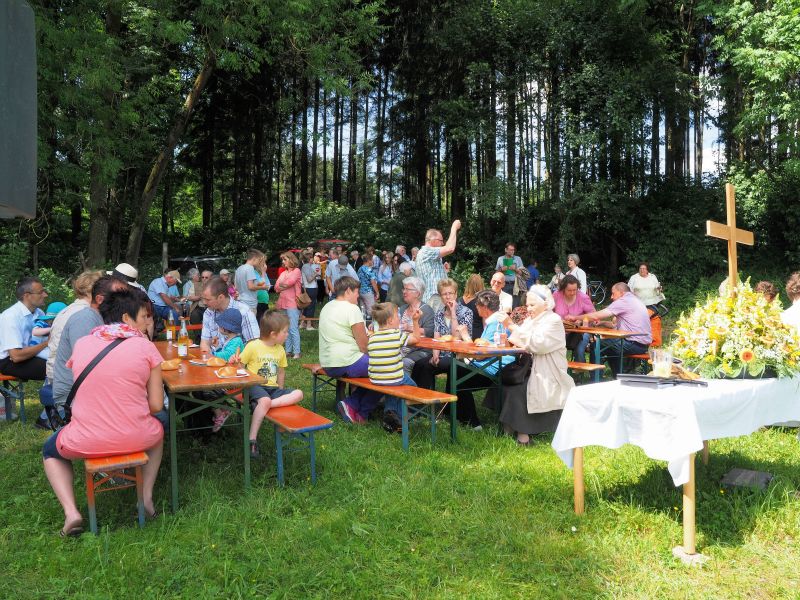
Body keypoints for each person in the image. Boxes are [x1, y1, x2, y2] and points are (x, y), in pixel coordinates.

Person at [42, 288, 164, 536]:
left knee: (50, 450)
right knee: (159, 430)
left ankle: (72, 513)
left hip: (84, 439)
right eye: (143, 317)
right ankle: (146, 499)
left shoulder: (84, 343)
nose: (146, 323)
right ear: (128, 319)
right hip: (136, 436)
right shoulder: (145, 347)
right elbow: (156, 406)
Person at [498, 285, 574, 445]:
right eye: (527, 305)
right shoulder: (531, 320)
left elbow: (537, 345)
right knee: (503, 379)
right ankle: (508, 427)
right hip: (528, 368)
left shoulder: (553, 321)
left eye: (532, 305)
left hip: (547, 372)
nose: (528, 308)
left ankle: (523, 436)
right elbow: (517, 341)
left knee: (519, 390)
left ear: (545, 304)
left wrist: (512, 326)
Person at [39, 270, 105, 428]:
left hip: (57, 373)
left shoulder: (68, 310)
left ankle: (48, 417)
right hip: (69, 380)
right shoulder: (84, 315)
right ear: (95, 293)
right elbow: (85, 360)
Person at [238, 310, 303, 458]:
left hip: (272, 389)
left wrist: (280, 389)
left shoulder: (280, 350)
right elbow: (240, 366)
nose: (287, 335)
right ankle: (252, 440)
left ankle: (267, 405)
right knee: (265, 399)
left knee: (299, 393)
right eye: (285, 332)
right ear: (273, 334)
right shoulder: (253, 346)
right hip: (254, 386)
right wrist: (245, 380)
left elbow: (281, 372)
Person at [319, 276, 381, 424]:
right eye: (357, 292)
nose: (358, 295)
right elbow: (363, 345)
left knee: (378, 370)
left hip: (328, 363)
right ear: (348, 291)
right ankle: (360, 411)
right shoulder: (351, 308)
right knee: (385, 370)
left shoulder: (327, 307)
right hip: (347, 361)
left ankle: (352, 404)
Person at [451, 290, 513, 430]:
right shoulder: (496, 320)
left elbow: (481, 354)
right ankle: (456, 414)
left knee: (458, 378)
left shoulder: (496, 324)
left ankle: (473, 422)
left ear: (484, 308)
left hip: (495, 368)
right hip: (492, 364)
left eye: (477, 306)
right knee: (455, 370)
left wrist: (466, 337)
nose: (476, 308)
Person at [572, 282, 652, 376]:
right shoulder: (635, 300)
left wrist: (574, 318)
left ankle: (596, 381)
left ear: (621, 293)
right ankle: (618, 377)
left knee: (596, 345)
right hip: (642, 344)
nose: (611, 297)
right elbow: (616, 326)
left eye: (613, 293)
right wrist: (602, 323)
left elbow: (596, 315)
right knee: (610, 347)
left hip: (634, 343)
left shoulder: (624, 301)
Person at [369, 302, 423, 434]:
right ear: (390, 320)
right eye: (397, 316)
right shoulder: (396, 334)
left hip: (375, 378)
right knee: (412, 388)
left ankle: (393, 416)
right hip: (393, 378)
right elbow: (416, 339)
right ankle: (395, 416)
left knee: (396, 388)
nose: (399, 318)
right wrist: (416, 321)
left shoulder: (373, 336)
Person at [412, 278, 473, 390]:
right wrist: (435, 355)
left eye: (450, 293)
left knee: (447, 365)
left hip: (460, 356)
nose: (448, 296)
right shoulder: (439, 314)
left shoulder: (466, 312)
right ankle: (420, 401)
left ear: (456, 294)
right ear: (440, 297)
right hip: (442, 354)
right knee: (420, 365)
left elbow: (456, 337)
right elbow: (436, 338)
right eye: (444, 294)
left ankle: (448, 403)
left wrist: (453, 312)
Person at [0, 277, 49, 381]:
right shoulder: (10, 316)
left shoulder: (39, 313)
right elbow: (16, 356)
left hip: (30, 354)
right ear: (27, 296)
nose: (45, 295)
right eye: (40, 292)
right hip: (8, 361)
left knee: (66, 361)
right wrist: (47, 343)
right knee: (56, 368)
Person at [199, 277, 260, 354]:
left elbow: (253, 345)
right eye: (203, 299)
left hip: (238, 363)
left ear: (221, 297)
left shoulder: (243, 311)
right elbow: (204, 344)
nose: (204, 302)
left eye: (208, 299)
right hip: (214, 362)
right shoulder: (208, 313)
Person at [208, 308, 246, 432]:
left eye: (220, 324)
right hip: (228, 375)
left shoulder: (236, 341)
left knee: (208, 390)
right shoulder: (231, 340)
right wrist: (216, 348)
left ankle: (222, 411)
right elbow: (224, 353)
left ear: (225, 328)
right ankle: (223, 408)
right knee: (206, 389)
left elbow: (225, 356)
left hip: (234, 379)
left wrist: (211, 353)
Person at [415, 220, 461, 311]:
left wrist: (444, 271)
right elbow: (450, 248)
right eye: (441, 241)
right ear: (433, 240)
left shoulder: (428, 254)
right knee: (436, 324)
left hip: (433, 298)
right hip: (434, 298)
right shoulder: (426, 251)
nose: (442, 243)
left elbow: (431, 275)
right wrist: (454, 228)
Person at [398, 276, 436, 375]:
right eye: (404, 288)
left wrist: (409, 328)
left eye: (407, 289)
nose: (404, 292)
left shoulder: (426, 310)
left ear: (418, 293)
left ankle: (405, 389)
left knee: (404, 363)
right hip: (401, 347)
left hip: (420, 349)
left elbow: (430, 331)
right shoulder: (402, 309)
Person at [552, 274, 595, 362]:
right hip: (559, 331)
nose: (572, 293)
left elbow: (594, 316)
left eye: (574, 290)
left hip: (580, 332)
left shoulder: (583, 297)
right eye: (569, 290)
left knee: (579, 350)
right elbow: (548, 312)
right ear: (563, 288)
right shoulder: (556, 295)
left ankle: (579, 373)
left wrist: (581, 321)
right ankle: (558, 371)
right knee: (552, 348)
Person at [275, 251, 302, 359]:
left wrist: (283, 285)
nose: (283, 261)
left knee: (293, 328)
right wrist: (283, 285)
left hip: (292, 303)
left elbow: (289, 283)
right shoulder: (283, 273)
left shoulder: (297, 271)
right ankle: (288, 351)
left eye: (285, 259)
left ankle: (297, 352)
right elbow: (276, 288)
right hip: (282, 303)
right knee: (285, 328)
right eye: (282, 260)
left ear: (291, 259)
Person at [234, 249, 268, 315]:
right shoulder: (250, 268)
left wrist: (263, 274)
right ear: (255, 258)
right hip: (249, 304)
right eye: (259, 260)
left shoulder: (239, 268)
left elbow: (236, 287)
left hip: (240, 302)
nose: (259, 263)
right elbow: (251, 287)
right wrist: (263, 288)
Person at [459, 274, 485, 339]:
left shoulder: (459, 300)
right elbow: (484, 322)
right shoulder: (481, 302)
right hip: (477, 335)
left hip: (461, 334)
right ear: (480, 285)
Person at [357, 250, 379, 319]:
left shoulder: (360, 269)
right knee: (371, 311)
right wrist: (377, 292)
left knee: (363, 311)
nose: (372, 262)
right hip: (368, 292)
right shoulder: (369, 270)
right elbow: (373, 282)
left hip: (360, 292)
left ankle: (364, 326)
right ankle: (371, 326)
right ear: (369, 260)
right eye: (372, 260)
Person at [300, 251, 319, 330]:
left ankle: (302, 324)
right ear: (309, 259)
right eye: (311, 258)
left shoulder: (306, 266)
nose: (313, 259)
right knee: (311, 307)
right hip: (311, 289)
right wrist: (316, 274)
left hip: (308, 288)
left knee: (307, 306)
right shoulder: (306, 266)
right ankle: (309, 325)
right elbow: (309, 279)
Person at [254, 256, 272, 325]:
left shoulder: (264, 274)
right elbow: (261, 284)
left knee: (264, 320)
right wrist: (263, 272)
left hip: (264, 300)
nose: (264, 265)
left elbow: (268, 286)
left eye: (264, 263)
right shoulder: (253, 273)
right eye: (262, 263)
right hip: (257, 301)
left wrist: (263, 273)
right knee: (259, 320)